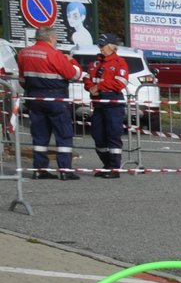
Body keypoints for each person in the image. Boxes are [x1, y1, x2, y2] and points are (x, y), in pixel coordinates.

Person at [17, 28, 84, 180]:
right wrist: (71, 61)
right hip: (55, 98)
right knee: (63, 134)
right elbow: (75, 74)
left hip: (34, 98)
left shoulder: (24, 53)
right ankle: (65, 170)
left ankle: (39, 169)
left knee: (39, 135)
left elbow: (22, 80)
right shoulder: (54, 54)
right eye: (56, 38)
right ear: (51, 38)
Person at [85, 33, 128, 179]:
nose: (101, 49)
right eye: (100, 46)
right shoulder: (95, 64)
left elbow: (120, 83)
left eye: (103, 46)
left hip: (113, 103)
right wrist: (91, 87)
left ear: (111, 47)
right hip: (98, 104)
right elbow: (87, 78)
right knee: (98, 136)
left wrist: (100, 86)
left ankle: (114, 168)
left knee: (113, 135)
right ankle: (107, 164)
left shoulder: (120, 63)